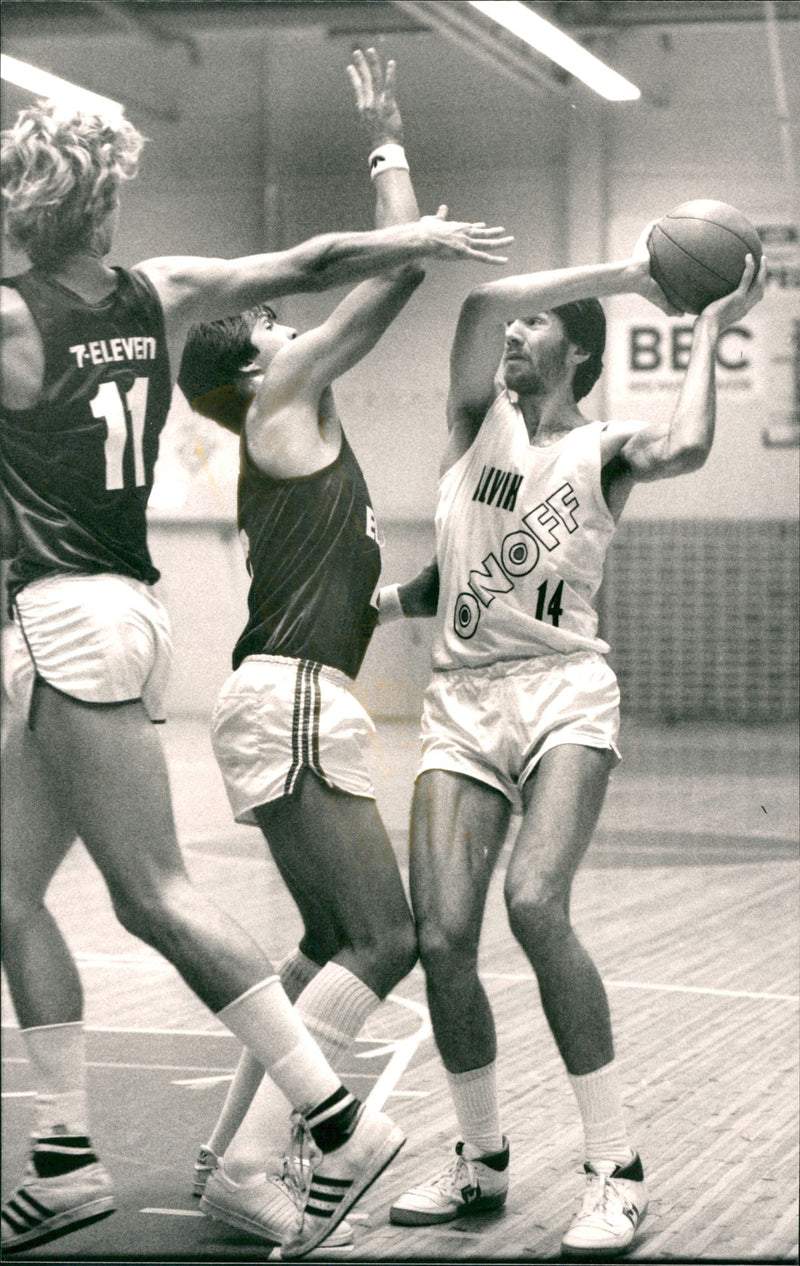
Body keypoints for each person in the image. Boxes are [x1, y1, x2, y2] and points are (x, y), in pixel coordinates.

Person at [0, 90, 511, 1258]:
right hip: (133, 611)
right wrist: (410, 232)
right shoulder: (163, 289)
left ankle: (329, 1122)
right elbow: (322, 255)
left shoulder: (13, 322)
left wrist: (404, 236)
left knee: (153, 893)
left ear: (25, 200)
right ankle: (67, 1155)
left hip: (62, 610)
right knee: (11, 891)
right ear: (105, 199)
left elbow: (327, 274)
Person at [175, 48, 510, 1257]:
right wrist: (387, 150)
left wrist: (416, 593)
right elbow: (387, 281)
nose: (292, 322)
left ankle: (231, 1157)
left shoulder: (286, 418)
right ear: (255, 360)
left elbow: (338, 586)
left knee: (325, 944)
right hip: (294, 701)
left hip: (285, 694)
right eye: (272, 320)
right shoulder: (278, 399)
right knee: (384, 939)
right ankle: (267, 1159)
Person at [376, 236, 766, 1256]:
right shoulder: (474, 426)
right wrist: (624, 273)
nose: (513, 330)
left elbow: (685, 447)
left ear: (577, 356)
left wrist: (708, 329)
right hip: (460, 699)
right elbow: (482, 301)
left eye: (536, 328)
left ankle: (613, 1165)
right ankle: (478, 1158)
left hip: (561, 694)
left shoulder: (603, 450)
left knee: (533, 901)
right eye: (515, 325)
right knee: (440, 941)